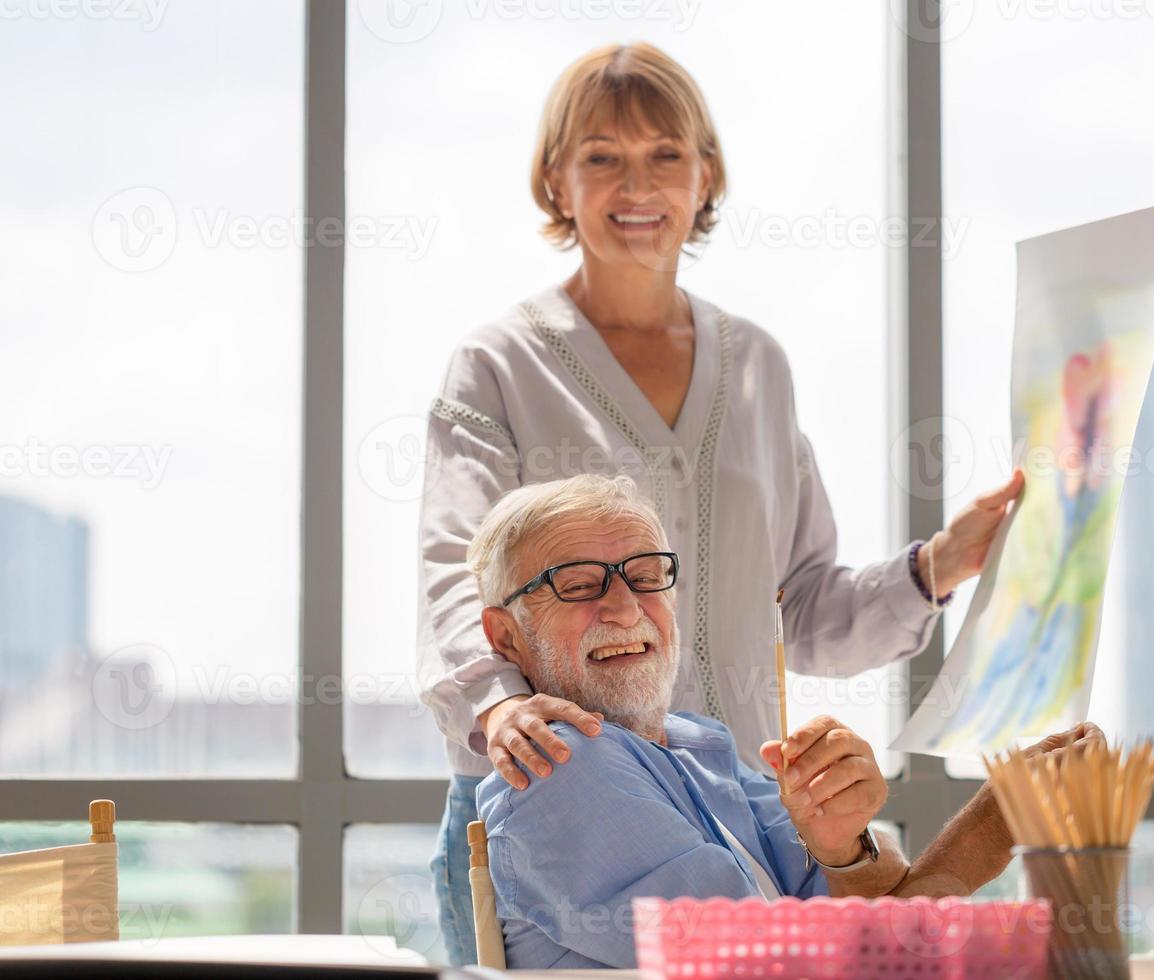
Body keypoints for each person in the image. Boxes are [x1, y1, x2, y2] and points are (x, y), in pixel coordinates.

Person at [416, 41, 1025, 965]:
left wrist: (943, 564)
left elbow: (806, 611)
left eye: (667, 153)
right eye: (602, 155)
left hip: (734, 800)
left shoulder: (758, 367)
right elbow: (453, 572)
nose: (639, 183)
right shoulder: (498, 364)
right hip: (554, 785)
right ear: (556, 179)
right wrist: (500, 710)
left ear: (709, 177)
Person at [468, 474, 1101, 969]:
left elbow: (876, 934)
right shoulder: (558, 766)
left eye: (645, 576)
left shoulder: (698, 747)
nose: (624, 606)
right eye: (577, 584)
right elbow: (804, 968)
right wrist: (992, 829)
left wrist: (845, 848)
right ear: (506, 637)